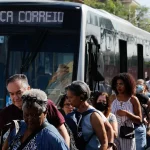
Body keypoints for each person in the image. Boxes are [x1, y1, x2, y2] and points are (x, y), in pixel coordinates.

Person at [0, 74, 70, 147]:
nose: (15, 97)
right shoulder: (6, 113)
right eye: (12, 94)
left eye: (19, 93)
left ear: (28, 89)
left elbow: (63, 133)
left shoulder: (44, 105)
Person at [65, 81, 114, 150]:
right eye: (68, 97)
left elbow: (104, 142)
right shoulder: (74, 113)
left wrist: (110, 145)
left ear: (81, 97)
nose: (68, 100)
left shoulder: (94, 116)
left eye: (71, 97)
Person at [110, 73, 142, 150]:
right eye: (117, 84)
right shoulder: (112, 98)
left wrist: (127, 114)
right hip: (113, 131)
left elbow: (139, 120)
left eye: (121, 84)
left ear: (127, 85)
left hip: (127, 131)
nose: (118, 87)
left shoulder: (133, 99)